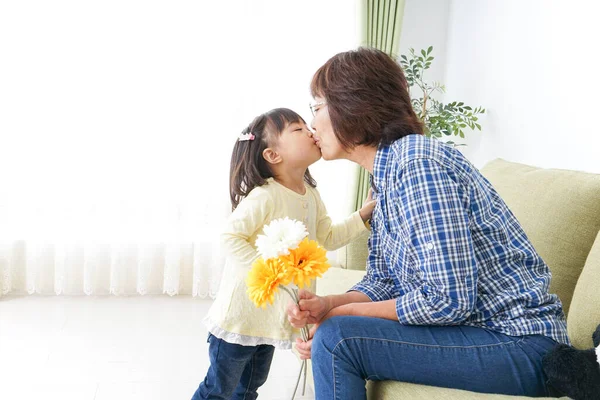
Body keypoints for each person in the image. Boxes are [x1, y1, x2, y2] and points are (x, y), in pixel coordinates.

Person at [287, 48, 569, 399]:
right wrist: (330, 304)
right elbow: (384, 279)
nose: (312, 123)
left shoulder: (418, 166)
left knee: (338, 338)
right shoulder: (387, 176)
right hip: (482, 333)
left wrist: (343, 316)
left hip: (518, 343)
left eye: (317, 106)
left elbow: (449, 300)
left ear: (352, 104)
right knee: (335, 331)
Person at [192, 108, 375, 400]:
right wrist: (267, 274)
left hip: (269, 321)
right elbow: (230, 236)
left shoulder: (311, 193)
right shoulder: (265, 195)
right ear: (272, 155)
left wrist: (363, 215)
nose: (311, 130)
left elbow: (327, 237)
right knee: (218, 390)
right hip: (240, 319)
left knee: (250, 387)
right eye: (298, 129)